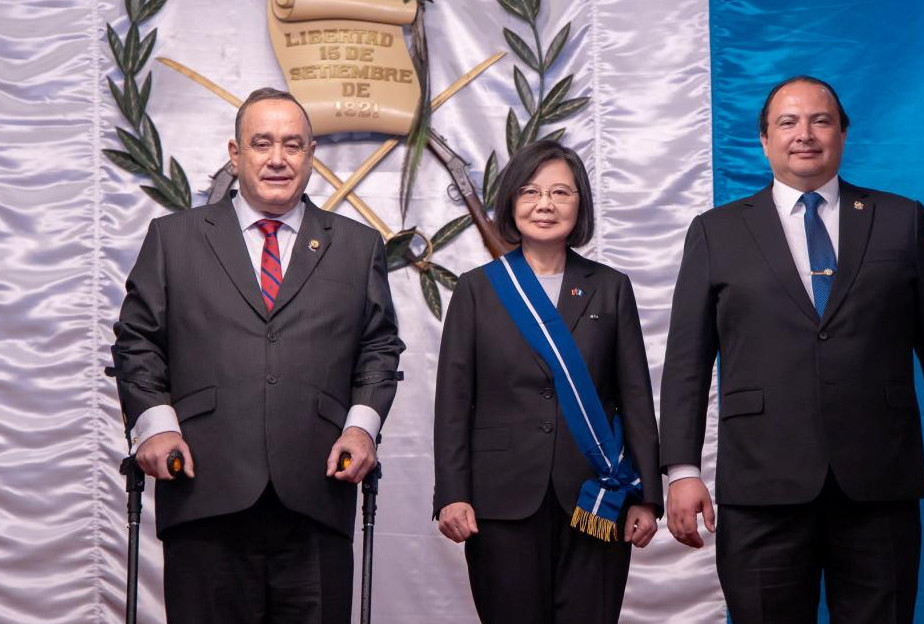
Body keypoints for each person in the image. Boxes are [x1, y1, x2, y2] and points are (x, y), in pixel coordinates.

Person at [658, 76, 924, 623]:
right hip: (760, 487)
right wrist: (682, 470)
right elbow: (687, 364)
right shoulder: (716, 232)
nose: (804, 134)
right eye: (787, 122)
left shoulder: (901, 220)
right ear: (764, 141)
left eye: (820, 120)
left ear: (842, 134)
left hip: (878, 483)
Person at [110, 87, 404, 623]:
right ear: (234, 153)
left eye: (292, 145)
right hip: (203, 488)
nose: (277, 158)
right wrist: (154, 427)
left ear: (311, 154)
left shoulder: (358, 246)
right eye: (262, 143)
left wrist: (361, 430)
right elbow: (137, 342)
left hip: (318, 491)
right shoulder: (174, 239)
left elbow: (379, 346)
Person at [433, 140, 662, 623]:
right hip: (501, 500)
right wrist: (452, 493)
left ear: (580, 205)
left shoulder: (610, 286)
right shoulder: (477, 289)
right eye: (530, 191)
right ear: (511, 202)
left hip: (597, 496)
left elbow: (635, 397)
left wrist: (648, 498)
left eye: (561, 192)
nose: (545, 204)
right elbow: (454, 404)